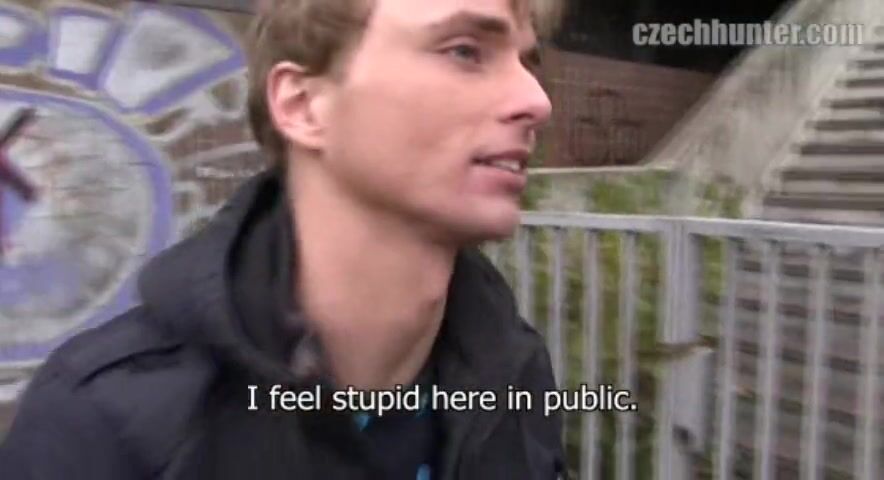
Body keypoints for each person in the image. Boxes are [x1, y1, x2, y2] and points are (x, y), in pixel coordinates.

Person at [0, 0, 565, 478]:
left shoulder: (512, 371)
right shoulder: (103, 419)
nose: (535, 100)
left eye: (527, 62)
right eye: (465, 52)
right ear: (302, 104)